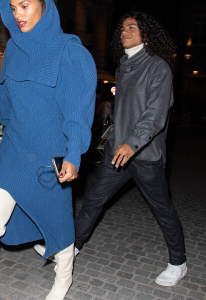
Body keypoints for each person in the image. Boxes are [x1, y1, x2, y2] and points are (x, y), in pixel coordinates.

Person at [0, 1, 96, 299]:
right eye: (13, 7)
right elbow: (6, 106)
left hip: (49, 157)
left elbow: (77, 111)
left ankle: (63, 279)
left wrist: (73, 154)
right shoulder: (13, 49)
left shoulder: (68, 51)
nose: (17, 14)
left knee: (57, 223)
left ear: (45, 5)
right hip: (15, 151)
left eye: (24, 5)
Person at [73, 11, 187, 287]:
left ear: (145, 34)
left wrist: (133, 141)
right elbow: (124, 112)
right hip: (118, 152)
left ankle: (178, 262)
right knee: (93, 199)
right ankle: (71, 246)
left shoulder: (158, 67)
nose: (123, 32)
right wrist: (114, 139)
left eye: (131, 27)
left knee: (162, 209)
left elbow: (156, 113)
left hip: (145, 155)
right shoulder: (124, 65)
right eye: (122, 28)